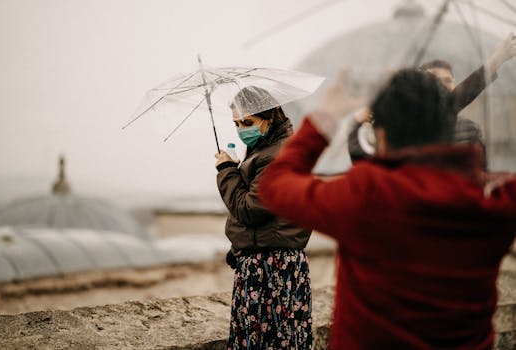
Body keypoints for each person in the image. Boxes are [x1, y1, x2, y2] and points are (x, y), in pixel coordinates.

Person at [258, 69, 516, 349]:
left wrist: (326, 118)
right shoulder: (497, 200)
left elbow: (275, 185)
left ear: (381, 136)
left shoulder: (369, 194)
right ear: (448, 127)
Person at [215, 86, 313, 349]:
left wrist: (226, 171)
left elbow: (251, 210)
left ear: (270, 117)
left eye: (247, 122)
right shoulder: (268, 149)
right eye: (236, 123)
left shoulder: (277, 155)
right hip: (266, 262)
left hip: (272, 267)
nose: (241, 129)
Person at [348, 32, 516, 161]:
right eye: (433, 81)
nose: (441, 87)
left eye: (448, 80)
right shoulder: (400, 126)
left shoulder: (469, 129)